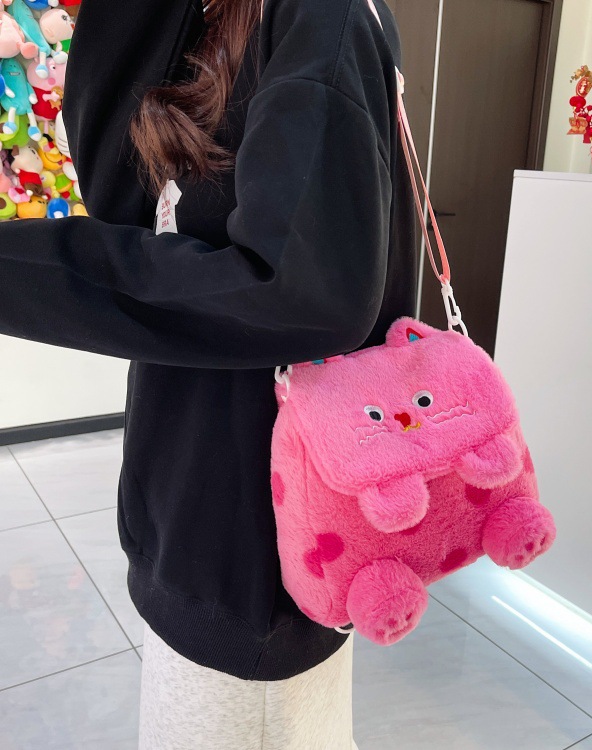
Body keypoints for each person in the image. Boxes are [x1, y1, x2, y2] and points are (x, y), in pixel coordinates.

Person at [0, 0, 417, 746]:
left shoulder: (316, 16)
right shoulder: (215, 17)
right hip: (196, 515)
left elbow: (300, 290)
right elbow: (120, 196)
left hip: (252, 557)